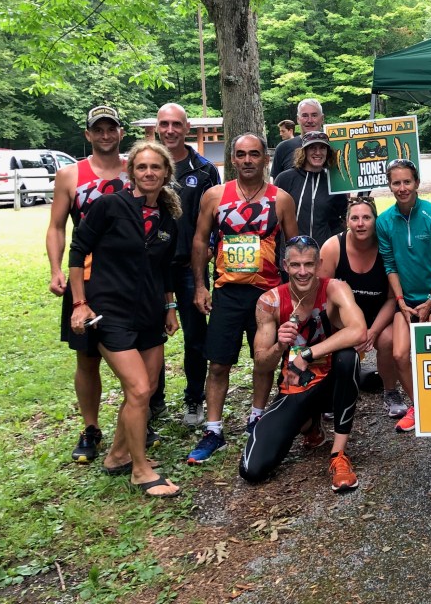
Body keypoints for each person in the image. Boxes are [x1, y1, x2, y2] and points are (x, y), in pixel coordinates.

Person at [68, 141, 182, 498]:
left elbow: (164, 269)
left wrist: (170, 307)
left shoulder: (167, 218)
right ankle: (140, 470)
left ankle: (118, 455)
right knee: (139, 389)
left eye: (156, 167)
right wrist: (79, 303)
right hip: (110, 313)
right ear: (131, 171)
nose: (149, 173)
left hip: (149, 313)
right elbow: (78, 250)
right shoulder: (109, 206)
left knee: (146, 389)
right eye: (142, 167)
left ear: (166, 172)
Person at [187, 133, 299, 464]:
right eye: (241, 154)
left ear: (266, 158)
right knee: (218, 363)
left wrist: (294, 294)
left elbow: (295, 248)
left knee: (263, 360)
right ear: (232, 159)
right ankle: (213, 430)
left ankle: (257, 418)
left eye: (254, 154)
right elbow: (199, 241)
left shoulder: (281, 199)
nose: (247, 160)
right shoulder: (215, 196)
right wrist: (199, 286)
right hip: (227, 291)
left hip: (267, 293)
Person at [239, 236, 367, 490]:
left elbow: (359, 331)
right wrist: (280, 345)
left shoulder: (335, 289)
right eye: (295, 265)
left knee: (348, 358)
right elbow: (261, 365)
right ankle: (309, 423)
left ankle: (338, 455)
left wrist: (306, 354)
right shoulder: (270, 301)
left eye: (309, 264)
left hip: (332, 380)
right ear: (285, 266)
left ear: (319, 264)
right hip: (297, 383)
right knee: (252, 470)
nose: (302, 271)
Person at [46, 104, 130, 464]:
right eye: (99, 130)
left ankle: (134, 423)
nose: (106, 135)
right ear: (88, 134)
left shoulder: (136, 168)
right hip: (87, 278)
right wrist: (55, 269)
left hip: (130, 277)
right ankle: (91, 427)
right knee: (87, 356)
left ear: (121, 132)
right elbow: (56, 227)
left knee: (138, 351)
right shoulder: (69, 175)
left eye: (111, 129)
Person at [149, 103, 221, 427]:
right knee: (151, 336)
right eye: (164, 124)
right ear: (157, 127)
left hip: (190, 267)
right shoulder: (148, 165)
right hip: (152, 268)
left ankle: (194, 399)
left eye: (176, 124)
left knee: (195, 336)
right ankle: (154, 400)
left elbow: (216, 216)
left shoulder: (204, 169)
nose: (170, 130)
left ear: (187, 127)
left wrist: (210, 248)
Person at [378, 158, 431, 433]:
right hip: (406, 300)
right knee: (400, 354)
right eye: (396, 183)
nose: (402, 188)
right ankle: (419, 406)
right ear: (390, 186)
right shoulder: (384, 221)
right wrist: (400, 302)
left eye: (407, 182)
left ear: (417, 183)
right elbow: (390, 265)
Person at [318, 197, 403, 418]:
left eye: (366, 217)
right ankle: (334, 391)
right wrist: (347, 330)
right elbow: (323, 296)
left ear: (376, 220)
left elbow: (392, 298)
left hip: (379, 314)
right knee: (334, 340)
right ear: (346, 222)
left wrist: (372, 331)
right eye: (354, 218)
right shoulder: (333, 247)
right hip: (343, 318)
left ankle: (390, 391)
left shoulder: (386, 247)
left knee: (388, 340)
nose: (360, 223)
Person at [274, 131, 348, 246]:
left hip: (323, 250)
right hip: (290, 251)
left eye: (322, 148)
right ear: (304, 151)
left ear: (328, 152)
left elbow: (341, 219)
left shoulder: (334, 182)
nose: (318, 152)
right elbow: (273, 217)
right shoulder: (285, 179)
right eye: (312, 148)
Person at [271, 98, 325, 178]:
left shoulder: (333, 146)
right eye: (305, 116)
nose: (309, 120)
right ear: (298, 119)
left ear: (322, 118)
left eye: (314, 115)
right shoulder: (283, 148)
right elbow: (276, 183)